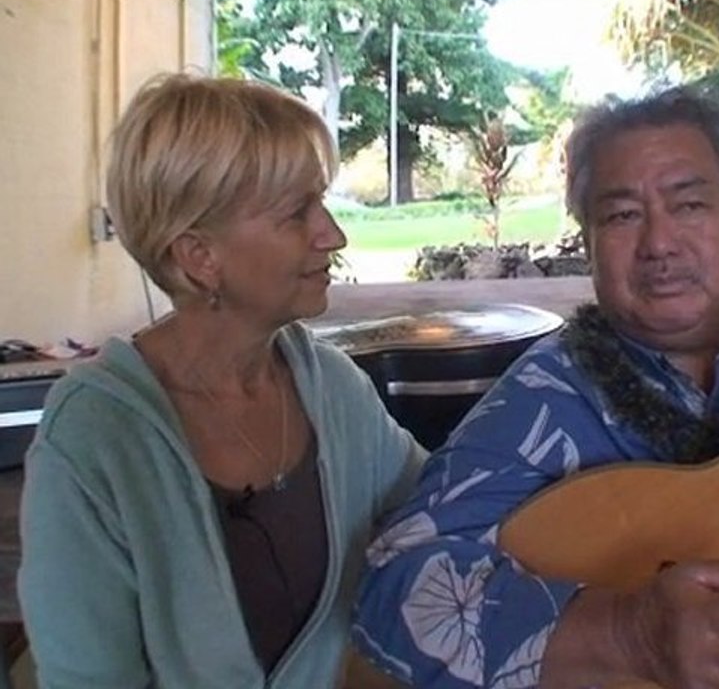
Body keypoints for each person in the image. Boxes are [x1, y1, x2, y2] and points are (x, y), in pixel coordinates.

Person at [351, 85, 719, 689]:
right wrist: (627, 636)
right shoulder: (547, 400)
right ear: (588, 244)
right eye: (622, 215)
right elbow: (393, 587)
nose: (659, 244)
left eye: (689, 206)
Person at [18, 73, 426, 689]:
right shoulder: (95, 439)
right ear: (199, 257)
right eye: (297, 214)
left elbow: (439, 506)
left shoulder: (334, 390)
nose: (333, 236)